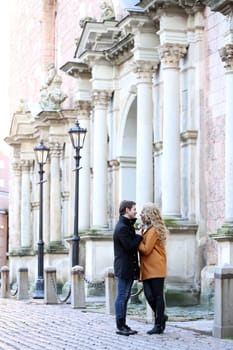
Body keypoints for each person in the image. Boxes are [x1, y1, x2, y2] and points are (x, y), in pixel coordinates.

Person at [113, 200, 143, 336]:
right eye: (134, 209)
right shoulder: (122, 228)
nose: (136, 211)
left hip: (128, 267)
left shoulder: (127, 226)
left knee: (125, 297)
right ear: (126, 210)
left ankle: (123, 324)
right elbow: (129, 246)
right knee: (122, 296)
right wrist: (139, 236)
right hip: (124, 267)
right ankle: (120, 325)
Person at [138, 202, 168, 334]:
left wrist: (137, 238)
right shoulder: (146, 229)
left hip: (156, 267)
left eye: (143, 212)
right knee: (149, 296)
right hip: (147, 268)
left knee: (157, 296)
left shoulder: (153, 230)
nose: (140, 214)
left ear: (149, 215)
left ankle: (158, 324)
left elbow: (145, 249)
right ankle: (161, 317)